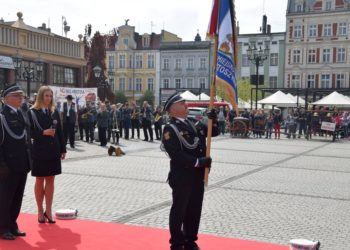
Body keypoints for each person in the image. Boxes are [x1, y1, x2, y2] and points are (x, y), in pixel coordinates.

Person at [161, 93, 219, 250]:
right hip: (182, 176)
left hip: (197, 175)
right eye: (182, 103)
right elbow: (176, 154)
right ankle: (177, 242)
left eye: (185, 102)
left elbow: (213, 132)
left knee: (194, 209)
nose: (186, 105)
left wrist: (213, 119)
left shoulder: (193, 122)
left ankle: (190, 240)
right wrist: (198, 162)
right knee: (180, 209)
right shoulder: (170, 128)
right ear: (173, 109)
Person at [28, 86, 66, 224]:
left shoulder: (54, 111)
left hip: (53, 150)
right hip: (39, 150)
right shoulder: (32, 112)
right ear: (40, 97)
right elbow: (28, 133)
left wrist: (63, 149)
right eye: (46, 96)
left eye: (51, 96)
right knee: (39, 180)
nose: (49, 98)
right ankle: (39, 210)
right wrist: (43, 133)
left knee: (51, 180)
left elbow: (60, 131)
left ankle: (48, 210)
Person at [0, 84, 31, 240]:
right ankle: (3, 227)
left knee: (17, 197)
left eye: (22, 96)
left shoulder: (20, 114)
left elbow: (25, 140)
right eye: (17, 96)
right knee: (5, 197)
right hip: (8, 165)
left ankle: (12, 224)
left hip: (21, 163)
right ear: (6, 99)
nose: (21, 98)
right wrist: (1, 165)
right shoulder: (2, 116)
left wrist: (29, 161)